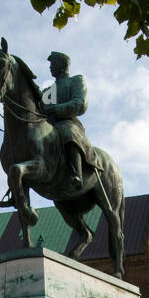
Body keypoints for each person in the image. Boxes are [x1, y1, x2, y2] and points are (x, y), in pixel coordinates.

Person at [43, 51, 95, 194]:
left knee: (67, 132)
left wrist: (55, 109)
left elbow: (80, 103)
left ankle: (75, 174)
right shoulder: (48, 91)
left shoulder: (76, 81)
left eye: (53, 64)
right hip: (49, 126)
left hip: (68, 122)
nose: (50, 67)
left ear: (62, 65)